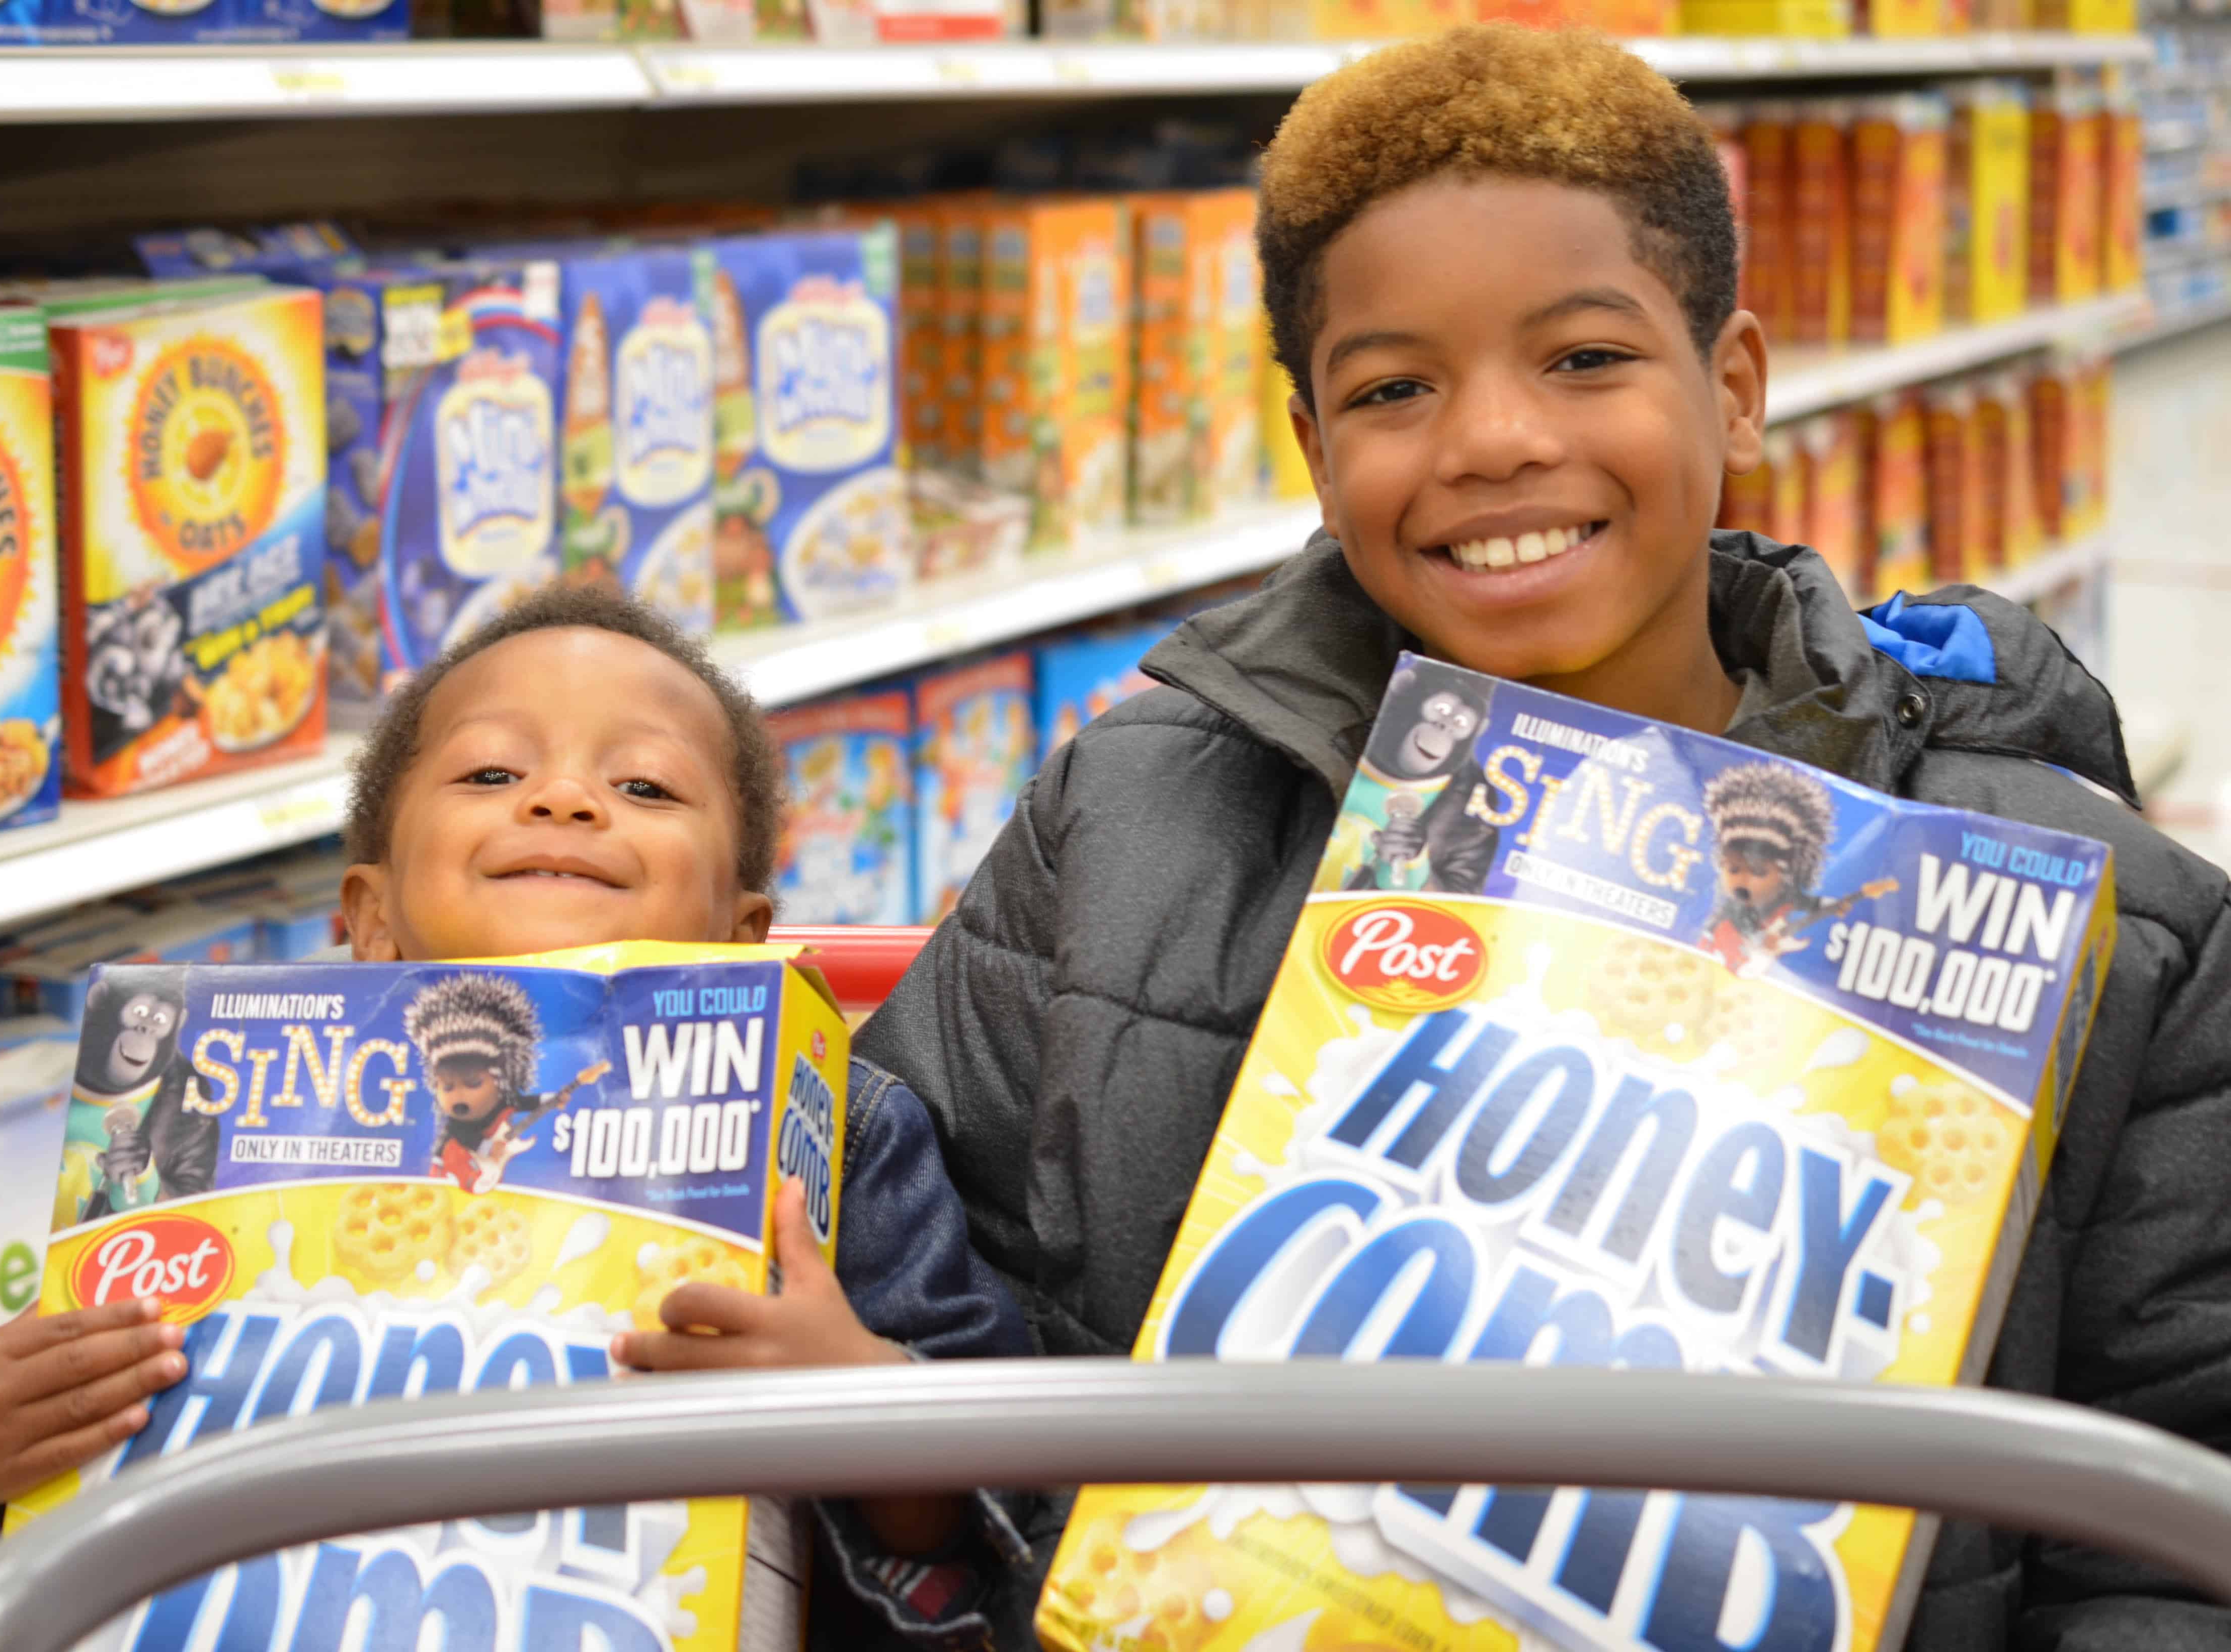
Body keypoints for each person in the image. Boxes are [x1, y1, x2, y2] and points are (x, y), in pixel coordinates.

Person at [859, 24, 2231, 1647]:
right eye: (1395, 388)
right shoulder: (1134, 816)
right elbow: (931, 1301)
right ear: (1314, 450)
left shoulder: (2103, 925)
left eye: (1583, 359)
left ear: (1732, 392)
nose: (1494, 438)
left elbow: (2169, 1521)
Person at [0, 583, 1033, 1649]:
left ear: (742, 937)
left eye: (643, 786)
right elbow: (105, 1515)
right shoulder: (191, 1123)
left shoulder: (836, 1139)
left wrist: (867, 1402)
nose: (562, 798)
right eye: (490, 774)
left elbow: (996, 1524)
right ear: (368, 916)